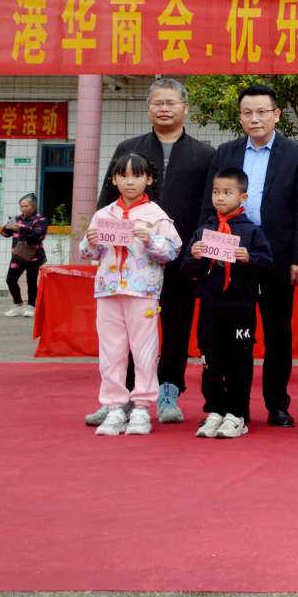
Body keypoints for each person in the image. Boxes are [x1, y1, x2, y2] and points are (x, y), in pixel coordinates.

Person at [87, 78, 214, 427]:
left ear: (185, 107)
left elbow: (208, 207)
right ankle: (121, 398)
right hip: (133, 263)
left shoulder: (204, 154)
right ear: (149, 108)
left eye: (171, 103)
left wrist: (197, 252)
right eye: (158, 103)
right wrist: (99, 240)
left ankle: (169, 391)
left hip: (181, 258)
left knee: (176, 325)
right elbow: (107, 202)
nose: (164, 109)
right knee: (125, 333)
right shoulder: (130, 148)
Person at [201, 84, 298, 428]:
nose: (255, 119)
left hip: (276, 258)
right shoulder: (225, 153)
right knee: (230, 334)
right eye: (247, 113)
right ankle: (234, 404)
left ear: (276, 115)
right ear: (240, 117)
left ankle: (277, 403)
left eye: (262, 112)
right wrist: (207, 247)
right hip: (228, 258)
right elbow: (208, 205)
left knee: (277, 331)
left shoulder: (296, 155)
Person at [80, 154, 182, 437]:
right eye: (123, 176)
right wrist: (90, 243)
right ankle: (114, 406)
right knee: (111, 351)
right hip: (108, 290)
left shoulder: (156, 216)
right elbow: (88, 252)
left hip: (143, 291)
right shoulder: (104, 215)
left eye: (136, 176)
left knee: (144, 350)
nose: (129, 182)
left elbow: (172, 251)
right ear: (114, 180)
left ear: (148, 179)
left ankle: (141, 406)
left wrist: (150, 239)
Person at [182, 168, 273, 440]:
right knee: (210, 359)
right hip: (210, 306)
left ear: (243, 196)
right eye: (216, 192)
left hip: (240, 307)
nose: (220, 198)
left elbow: (267, 266)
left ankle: (237, 413)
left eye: (227, 192)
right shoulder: (204, 231)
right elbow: (187, 269)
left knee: (238, 359)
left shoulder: (252, 231)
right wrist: (195, 256)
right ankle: (215, 409)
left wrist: (249, 258)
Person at [1, 193, 47, 318]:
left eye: (26, 206)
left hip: (34, 255)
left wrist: (21, 228)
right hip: (18, 255)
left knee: (31, 281)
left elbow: (38, 235)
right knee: (10, 279)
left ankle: (31, 307)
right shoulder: (16, 219)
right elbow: (4, 234)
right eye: (21, 206)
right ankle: (17, 305)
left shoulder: (41, 220)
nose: (23, 209)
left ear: (33, 206)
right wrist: (8, 227)